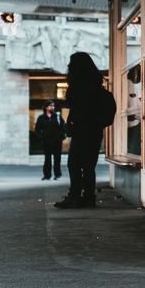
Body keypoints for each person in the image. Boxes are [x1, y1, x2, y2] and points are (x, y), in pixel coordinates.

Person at [56, 53, 116, 209]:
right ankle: (88, 197)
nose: (69, 66)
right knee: (89, 166)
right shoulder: (96, 86)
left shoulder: (78, 86)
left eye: (71, 64)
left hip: (82, 130)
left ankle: (74, 196)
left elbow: (74, 108)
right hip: (94, 131)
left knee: (74, 164)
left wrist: (72, 124)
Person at [33, 101, 66, 181]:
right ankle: (47, 175)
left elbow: (63, 127)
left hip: (57, 141)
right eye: (51, 106)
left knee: (57, 158)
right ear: (46, 107)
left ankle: (57, 174)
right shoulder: (41, 117)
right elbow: (37, 129)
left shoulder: (57, 116)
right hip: (46, 141)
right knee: (47, 159)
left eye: (53, 106)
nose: (53, 107)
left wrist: (61, 137)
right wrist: (41, 138)